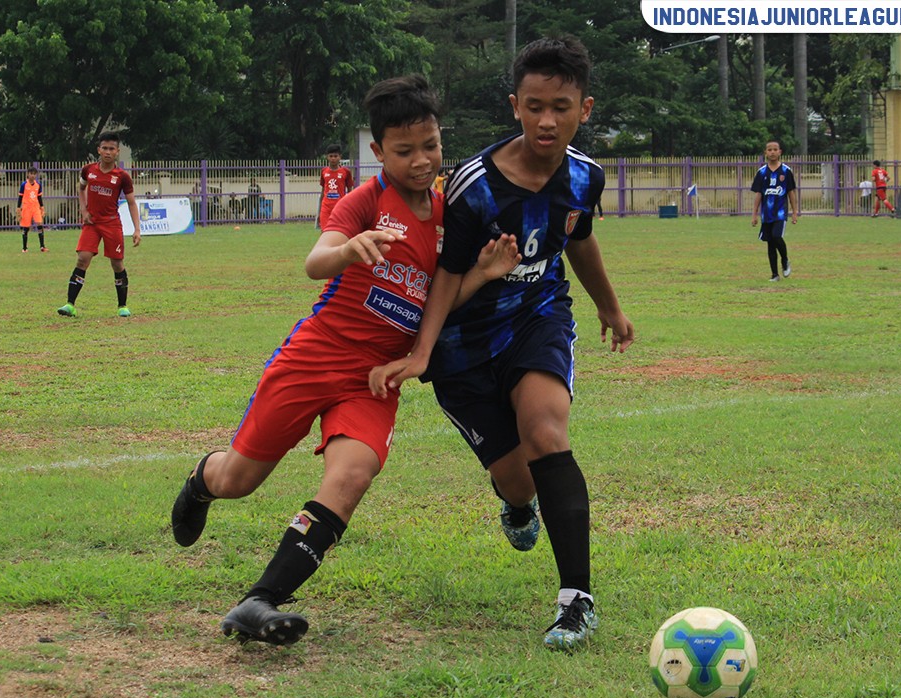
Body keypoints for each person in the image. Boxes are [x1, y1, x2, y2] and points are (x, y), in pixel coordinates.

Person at [169, 74, 519, 647]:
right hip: (314, 358)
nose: (422, 160)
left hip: (375, 378)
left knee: (353, 473)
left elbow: (436, 298)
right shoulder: (364, 202)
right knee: (240, 479)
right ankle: (201, 483)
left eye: (430, 146)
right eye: (404, 151)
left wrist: (482, 273)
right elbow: (315, 261)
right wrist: (347, 250)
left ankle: (261, 600)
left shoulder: (447, 215)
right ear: (378, 152)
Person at [370, 36, 635, 652]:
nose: (548, 120)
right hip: (464, 345)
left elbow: (578, 237)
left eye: (562, 107)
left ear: (584, 109)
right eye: (535, 106)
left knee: (546, 432)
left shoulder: (585, 178)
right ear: (516, 105)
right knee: (518, 481)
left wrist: (609, 305)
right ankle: (516, 506)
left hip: (538, 317)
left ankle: (576, 601)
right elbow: (445, 275)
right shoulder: (475, 187)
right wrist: (421, 351)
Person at [57, 131, 141, 318]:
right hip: (92, 223)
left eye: (112, 149)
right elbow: (81, 188)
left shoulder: (122, 177)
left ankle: (122, 306)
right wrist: (84, 210)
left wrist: (137, 229)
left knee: (117, 264)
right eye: (104, 148)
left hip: (111, 224)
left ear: (117, 152)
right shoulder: (88, 170)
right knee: (82, 259)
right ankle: (70, 305)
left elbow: (132, 203)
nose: (108, 152)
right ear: (99, 150)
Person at [751, 139, 798, 282]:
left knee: (777, 236)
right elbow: (759, 193)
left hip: (780, 212)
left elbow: (791, 192)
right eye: (769, 149)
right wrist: (754, 213)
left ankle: (785, 260)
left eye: (775, 149)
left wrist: (795, 212)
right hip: (767, 214)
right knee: (770, 242)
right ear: (765, 152)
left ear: (780, 152)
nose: (772, 152)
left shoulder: (786, 171)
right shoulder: (761, 172)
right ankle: (774, 274)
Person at [317, 144, 354, 229]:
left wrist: (350, 208)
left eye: (335, 156)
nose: (333, 158)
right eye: (331, 156)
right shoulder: (324, 171)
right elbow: (323, 190)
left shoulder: (346, 172)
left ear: (340, 157)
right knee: (325, 231)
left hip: (340, 207)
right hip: (326, 207)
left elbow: (350, 192)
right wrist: (319, 212)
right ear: (327, 157)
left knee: (338, 231)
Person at [18, 168, 47, 252]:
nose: (33, 175)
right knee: (26, 227)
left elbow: (39, 197)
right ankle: (24, 248)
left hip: (36, 207)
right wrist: (18, 208)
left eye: (34, 174)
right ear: (28, 174)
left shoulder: (38, 185)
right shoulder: (24, 185)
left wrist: (42, 207)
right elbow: (20, 197)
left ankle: (42, 247)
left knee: (40, 225)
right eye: (31, 173)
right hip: (27, 208)